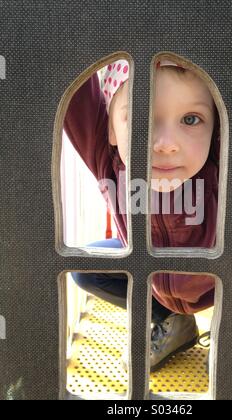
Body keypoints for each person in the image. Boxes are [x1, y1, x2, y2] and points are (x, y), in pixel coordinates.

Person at [64, 58, 220, 372]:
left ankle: (227, 330)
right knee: (85, 269)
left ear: (217, 127)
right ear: (110, 128)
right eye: (140, 117)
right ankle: (174, 321)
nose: (165, 144)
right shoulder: (106, 161)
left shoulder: (221, 169)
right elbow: (68, 76)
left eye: (191, 119)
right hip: (153, 285)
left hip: (219, 288)